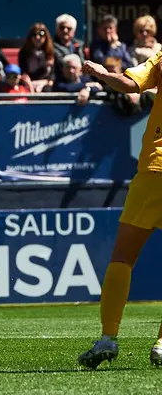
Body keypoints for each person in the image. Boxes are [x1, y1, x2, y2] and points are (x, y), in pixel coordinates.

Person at [78, 52, 162, 368]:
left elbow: (129, 85)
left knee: (122, 258)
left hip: (154, 170)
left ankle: (108, 337)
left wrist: (102, 73)